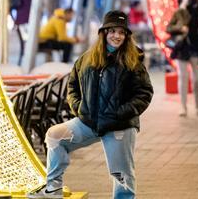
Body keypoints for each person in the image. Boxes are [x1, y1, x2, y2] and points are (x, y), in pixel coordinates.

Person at [30, 11, 153, 198]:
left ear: (126, 35)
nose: (117, 36)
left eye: (121, 32)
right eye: (112, 31)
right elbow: (72, 85)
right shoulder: (87, 58)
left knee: (122, 176)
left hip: (119, 125)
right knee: (55, 136)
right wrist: (79, 108)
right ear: (103, 32)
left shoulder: (133, 60)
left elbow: (144, 93)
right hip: (88, 122)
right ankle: (53, 189)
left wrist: (121, 113)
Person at [166, 0, 198, 116]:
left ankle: (197, 104)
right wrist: (180, 28)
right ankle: (183, 107)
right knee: (183, 78)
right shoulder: (180, 12)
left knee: (197, 80)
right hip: (182, 48)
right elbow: (169, 28)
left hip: (196, 48)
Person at [11, 0, 33, 65]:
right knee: (26, 37)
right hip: (26, 17)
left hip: (20, 17)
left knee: (23, 38)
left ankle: (23, 54)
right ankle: (26, 53)